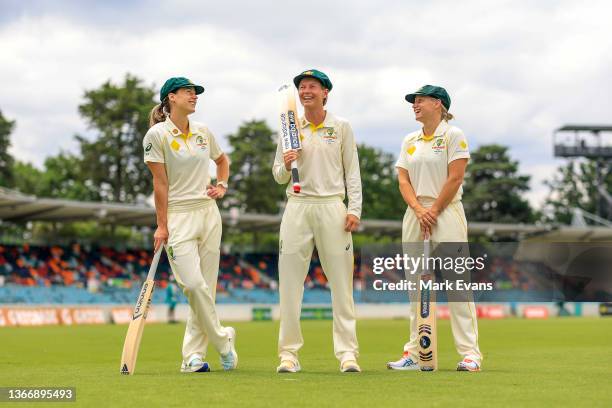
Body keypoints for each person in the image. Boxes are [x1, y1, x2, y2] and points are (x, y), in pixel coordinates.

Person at [144, 76, 237, 373]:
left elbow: (223, 160)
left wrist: (221, 185)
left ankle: (192, 357)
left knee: (206, 290)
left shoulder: (203, 132)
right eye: (188, 92)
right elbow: (160, 183)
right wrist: (161, 225)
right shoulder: (156, 135)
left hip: (209, 214)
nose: (194, 96)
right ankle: (224, 340)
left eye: (196, 93)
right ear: (171, 98)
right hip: (178, 215)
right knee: (194, 287)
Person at [387, 85, 483, 372]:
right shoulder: (410, 139)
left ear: (439, 104)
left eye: (421, 100)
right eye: (413, 102)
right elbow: (403, 179)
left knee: (457, 284)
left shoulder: (454, 135)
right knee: (416, 288)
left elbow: (455, 178)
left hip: (447, 211)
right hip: (415, 214)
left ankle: (470, 354)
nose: (415, 105)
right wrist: (418, 210)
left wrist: (434, 210)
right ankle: (415, 353)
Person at [272, 69, 363, 373]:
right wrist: (286, 163)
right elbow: (278, 175)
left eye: (312, 86)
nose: (306, 91)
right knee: (290, 285)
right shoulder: (289, 127)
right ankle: (288, 354)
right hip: (297, 206)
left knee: (341, 285)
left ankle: (347, 353)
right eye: (302, 87)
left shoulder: (341, 127)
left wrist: (355, 210)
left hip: (332, 207)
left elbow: (352, 171)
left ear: (325, 92)